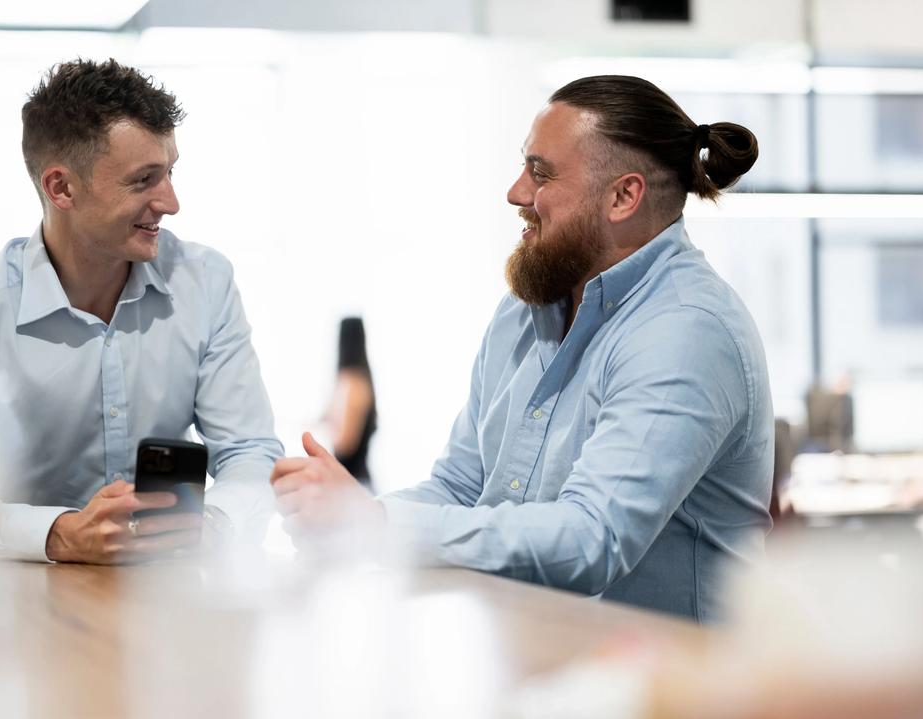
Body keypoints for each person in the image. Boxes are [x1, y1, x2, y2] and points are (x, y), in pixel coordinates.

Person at [271, 75, 773, 622]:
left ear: (623, 196)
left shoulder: (685, 330)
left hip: (677, 691)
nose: (516, 191)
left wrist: (375, 525)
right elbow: (463, 487)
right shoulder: (528, 308)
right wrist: (350, 523)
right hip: (546, 663)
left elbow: (594, 537)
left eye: (541, 172)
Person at [0, 58, 283, 564]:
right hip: (23, 601)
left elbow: (251, 452)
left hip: (165, 595)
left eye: (170, 172)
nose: (171, 202)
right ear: (61, 188)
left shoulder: (206, 282)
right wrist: (61, 533)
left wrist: (213, 527)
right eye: (143, 181)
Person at [324, 317, 378, 490]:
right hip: (353, 484)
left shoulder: (353, 384)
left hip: (355, 485)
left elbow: (345, 443)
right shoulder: (349, 382)